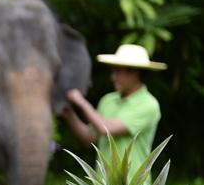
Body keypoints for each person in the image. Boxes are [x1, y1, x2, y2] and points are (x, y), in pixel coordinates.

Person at [62, 44, 166, 176]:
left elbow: (107, 129)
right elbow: (89, 138)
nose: (113, 77)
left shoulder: (149, 104)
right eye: (113, 71)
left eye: (118, 71)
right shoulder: (107, 100)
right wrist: (69, 114)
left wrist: (81, 102)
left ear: (134, 73)